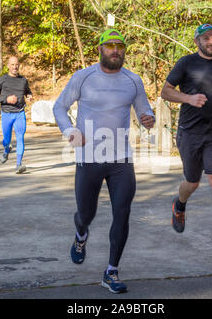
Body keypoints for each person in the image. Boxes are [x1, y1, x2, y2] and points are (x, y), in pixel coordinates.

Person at [53, 29, 155, 293]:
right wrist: (69, 131)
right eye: (109, 46)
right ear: (99, 49)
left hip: (121, 158)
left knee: (122, 212)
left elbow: (145, 109)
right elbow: (59, 107)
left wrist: (148, 118)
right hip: (90, 157)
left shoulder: (133, 80)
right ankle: (81, 234)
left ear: (124, 50)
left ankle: (111, 271)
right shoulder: (84, 77)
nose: (115, 51)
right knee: (86, 214)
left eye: (120, 46)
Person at [161, 24, 212, 256]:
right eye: (206, 38)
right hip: (190, 132)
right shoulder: (185, 63)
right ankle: (180, 204)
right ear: (197, 41)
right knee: (192, 182)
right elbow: (166, 91)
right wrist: (188, 98)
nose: (211, 42)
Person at [0, 56, 33, 174]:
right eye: (12, 65)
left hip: (20, 113)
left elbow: (27, 91)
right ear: (8, 66)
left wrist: (29, 95)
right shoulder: (2, 79)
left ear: (19, 65)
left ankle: (18, 164)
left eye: (17, 65)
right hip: (6, 114)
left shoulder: (23, 80)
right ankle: (6, 150)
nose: (15, 67)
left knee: (20, 138)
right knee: (6, 139)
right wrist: (6, 99)